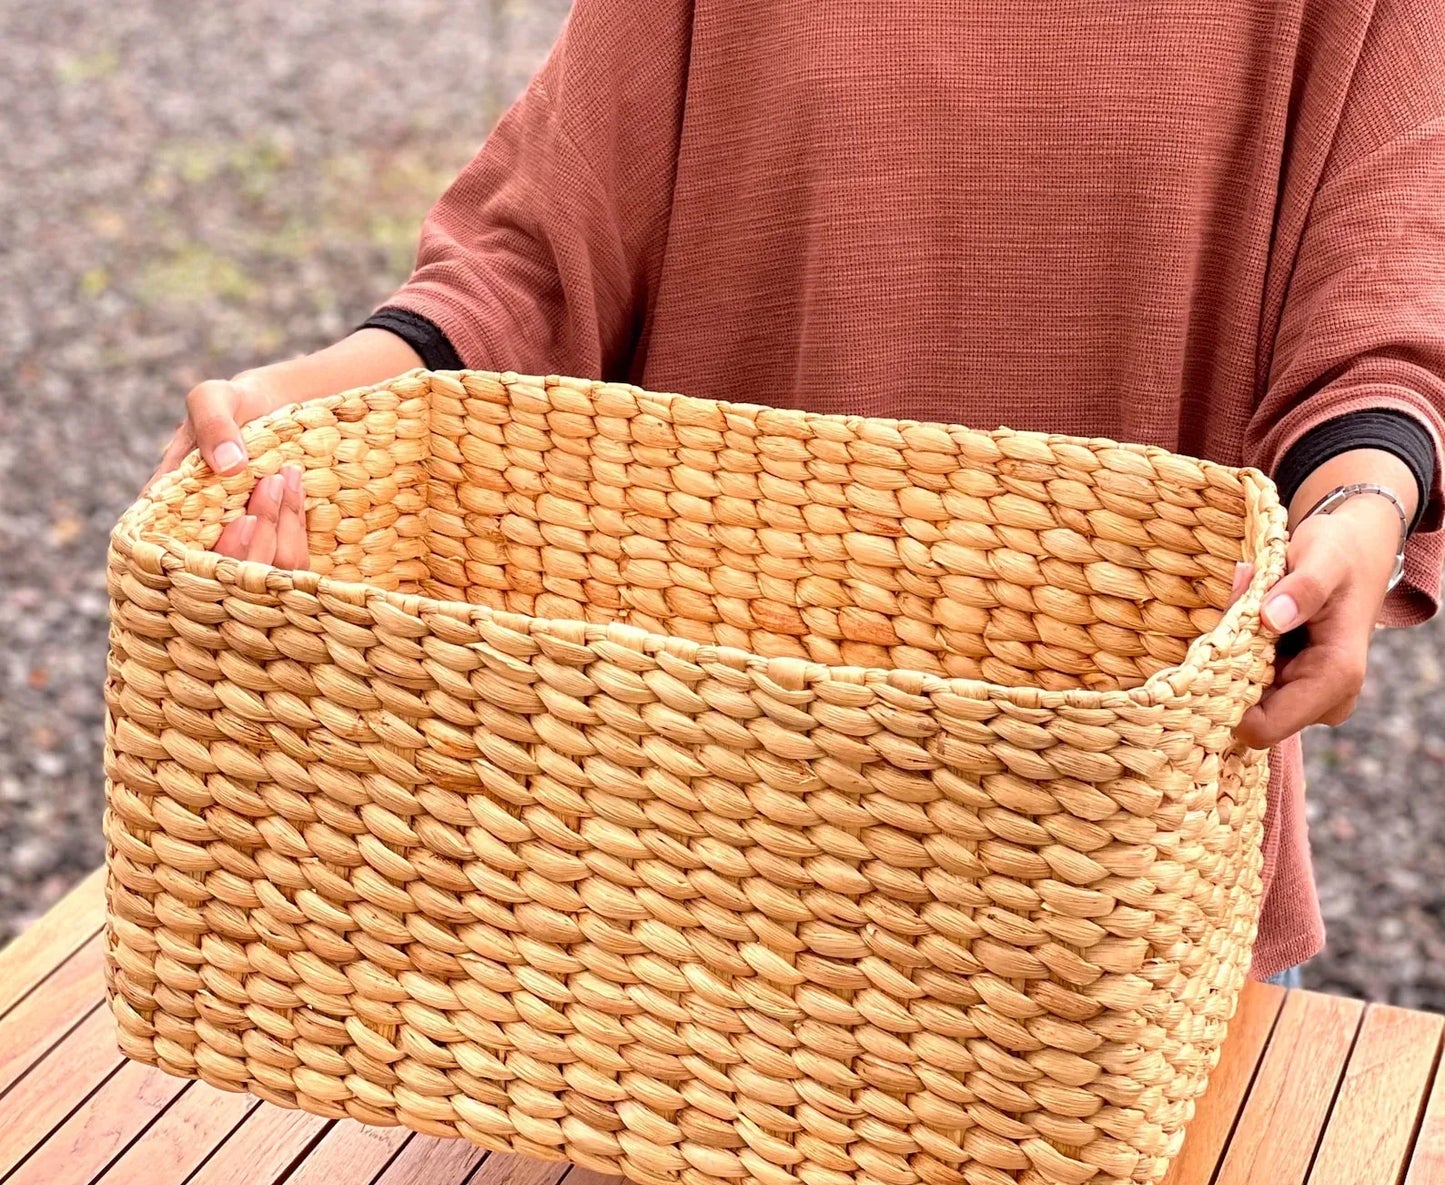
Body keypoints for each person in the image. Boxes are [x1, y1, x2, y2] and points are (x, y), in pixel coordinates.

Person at [147, 0, 1445, 987]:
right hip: (699, 897)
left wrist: (1357, 508)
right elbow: (540, 252)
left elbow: (1390, 280)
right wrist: (330, 395)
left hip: (1122, 903)